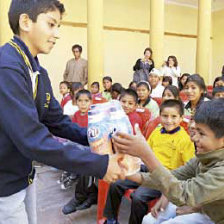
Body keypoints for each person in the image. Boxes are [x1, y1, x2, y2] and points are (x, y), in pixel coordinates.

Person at [0, 1, 124, 223]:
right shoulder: (7, 67)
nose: (57, 34)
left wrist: (98, 139)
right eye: (51, 24)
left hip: (23, 175)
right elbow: (32, 138)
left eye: (58, 26)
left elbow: (57, 122)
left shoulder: (38, 71)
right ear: (26, 22)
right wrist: (100, 165)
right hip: (4, 182)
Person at [113, 99, 224, 224]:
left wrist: (145, 154)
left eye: (202, 134)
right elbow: (174, 176)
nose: (194, 138)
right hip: (204, 206)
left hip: (214, 216)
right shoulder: (203, 156)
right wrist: (128, 174)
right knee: (148, 220)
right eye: (196, 130)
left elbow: (184, 195)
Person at [104, 99, 195, 224]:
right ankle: (111, 219)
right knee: (116, 183)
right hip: (147, 168)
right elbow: (145, 151)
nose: (169, 120)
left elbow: (187, 167)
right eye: (165, 116)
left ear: (181, 118)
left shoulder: (185, 139)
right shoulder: (157, 132)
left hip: (165, 176)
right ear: (159, 116)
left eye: (174, 117)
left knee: (138, 197)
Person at [63, 89, 98, 214]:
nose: (83, 104)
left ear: (91, 102)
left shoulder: (94, 115)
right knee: (68, 147)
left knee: (84, 158)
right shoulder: (77, 115)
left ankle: (81, 196)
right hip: (81, 146)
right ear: (75, 102)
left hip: (93, 146)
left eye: (86, 101)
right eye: (80, 101)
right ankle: (90, 195)